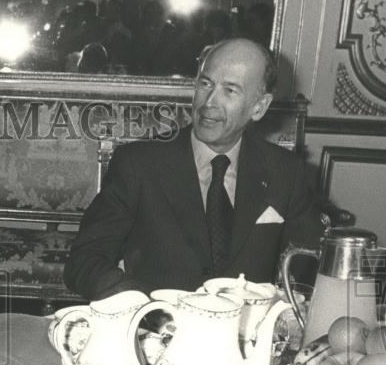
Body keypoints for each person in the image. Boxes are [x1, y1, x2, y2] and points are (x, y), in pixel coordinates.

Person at [64, 38, 323, 299]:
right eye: (205, 83)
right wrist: (144, 307)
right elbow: (84, 262)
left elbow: (309, 268)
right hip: (157, 330)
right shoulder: (139, 165)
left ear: (259, 107)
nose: (209, 102)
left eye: (230, 90)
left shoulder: (285, 172)